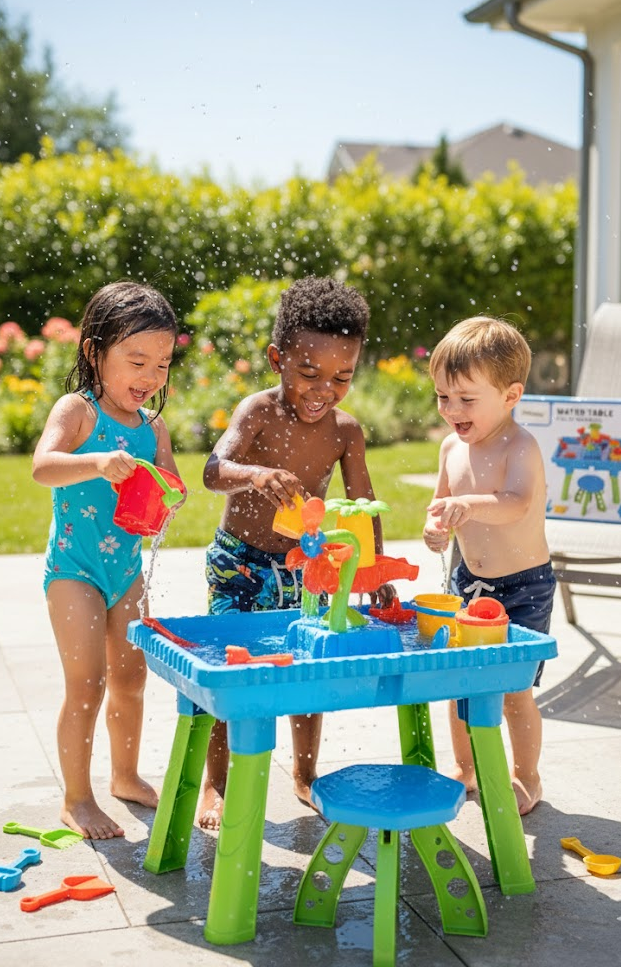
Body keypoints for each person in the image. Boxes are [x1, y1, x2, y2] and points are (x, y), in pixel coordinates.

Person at [199, 275, 394, 828]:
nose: (323, 390)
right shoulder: (257, 412)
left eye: (341, 377)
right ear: (276, 359)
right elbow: (213, 471)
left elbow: (363, 504)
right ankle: (215, 784)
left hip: (306, 568)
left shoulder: (345, 432)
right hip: (240, 562)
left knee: (308, 672)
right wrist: (255, 475)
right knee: (231, 671)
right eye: (309, 373)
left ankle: (305, 776)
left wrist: (374, 569)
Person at [32, 281, 183, 840]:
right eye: (137, 361)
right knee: (87, 684)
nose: (150, 376)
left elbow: (169, 483)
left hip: (126, 570)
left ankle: (125, 775)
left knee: (131, 677)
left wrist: (170, 495)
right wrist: (97, 462)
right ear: (95, 352)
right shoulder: (79, 411)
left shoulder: (153, 427)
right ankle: (77, 799)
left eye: (162, 364)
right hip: (74, 570)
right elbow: (43, 466)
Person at [422, 315, 555, 815]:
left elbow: (516, 503)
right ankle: (465, 767)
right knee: (460, 682)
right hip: (469, 582)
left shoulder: (521, 447)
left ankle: (526, 776)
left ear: (511, 395)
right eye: (443, 397)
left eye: (466, 399)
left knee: (514, 690)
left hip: (523, 587)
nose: (451, 410)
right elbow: (440, 506)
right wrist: (436, 529)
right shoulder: (450, 447)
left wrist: (469, 505)